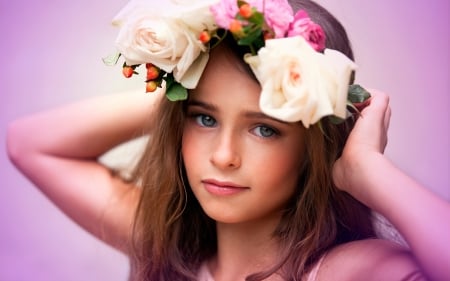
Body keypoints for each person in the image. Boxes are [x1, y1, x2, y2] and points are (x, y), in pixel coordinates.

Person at [6, 0, 450, 280]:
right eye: (204, 120)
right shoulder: (164, 248)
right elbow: (28, 142)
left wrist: (366, 170)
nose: (223, 157)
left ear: (315, 145)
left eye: (264, 128)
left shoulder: (352, 271)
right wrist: (181, 89)